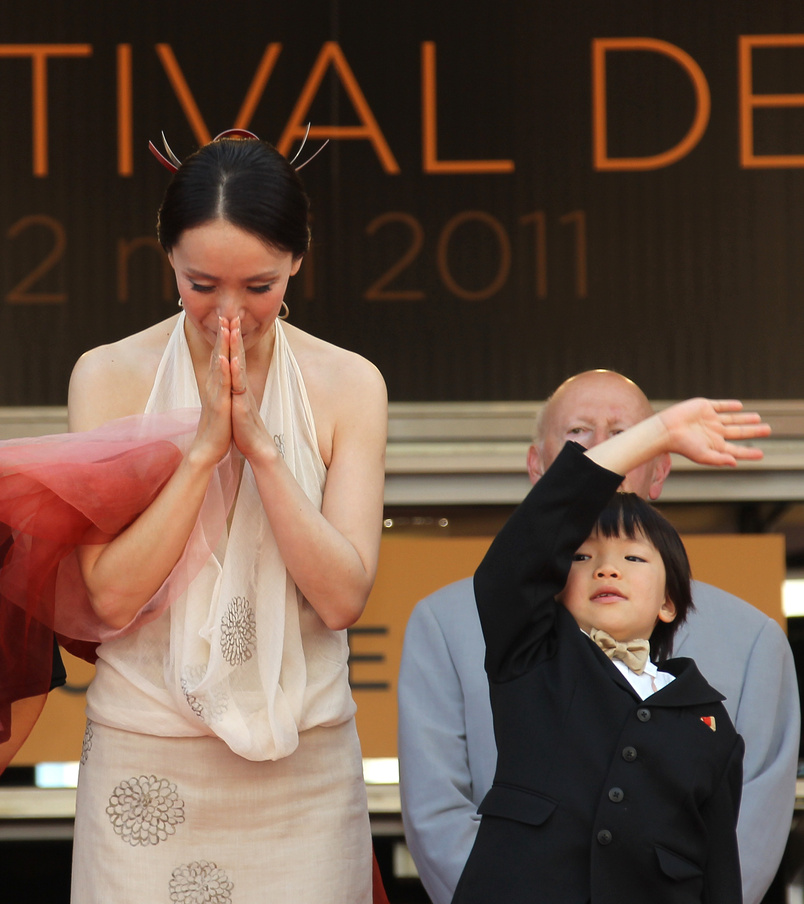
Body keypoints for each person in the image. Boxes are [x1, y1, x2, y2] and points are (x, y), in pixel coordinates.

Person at [66, 132, 389, 901]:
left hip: (303, 765)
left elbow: (342, 596)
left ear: (298, 259)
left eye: (260, 285)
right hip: (146, 750)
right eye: (202, 284)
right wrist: (203, 453)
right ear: (167, 256)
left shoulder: (349, 384)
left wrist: (265, 454)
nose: (230, 313)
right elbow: (108, 596)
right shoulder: (109, 377)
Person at [398, 370, 800, 904]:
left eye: (622, 435)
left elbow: (734, 847)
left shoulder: (747, 649)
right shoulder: (506, 631)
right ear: (538, 466)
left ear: (660, 469)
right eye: (577, 435)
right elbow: (437, 814)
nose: (608, 569)